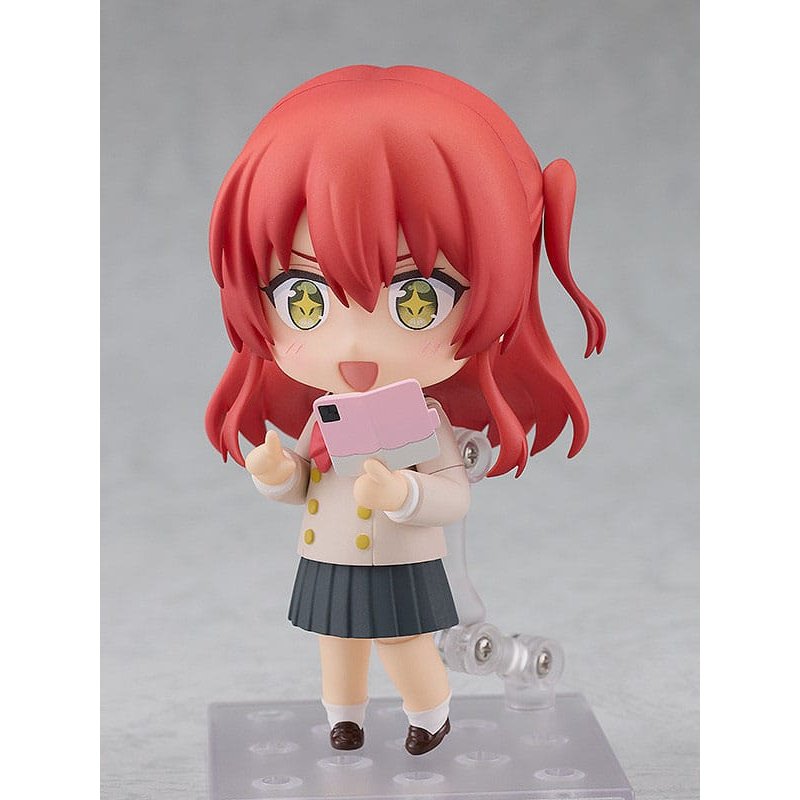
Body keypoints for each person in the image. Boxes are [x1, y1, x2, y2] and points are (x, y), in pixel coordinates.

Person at [205, 65, 605, 755]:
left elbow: (453, 495)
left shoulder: (420, 420)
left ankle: (430, 715)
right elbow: (305, 480)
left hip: (399, 556)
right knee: (335, 640)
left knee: (402, 640)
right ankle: (344, 715)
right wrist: (277, 472)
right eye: (305, 299)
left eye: (416, 300)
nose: (354, 344)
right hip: (330, 553)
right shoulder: (326, 412)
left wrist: (405, 494)